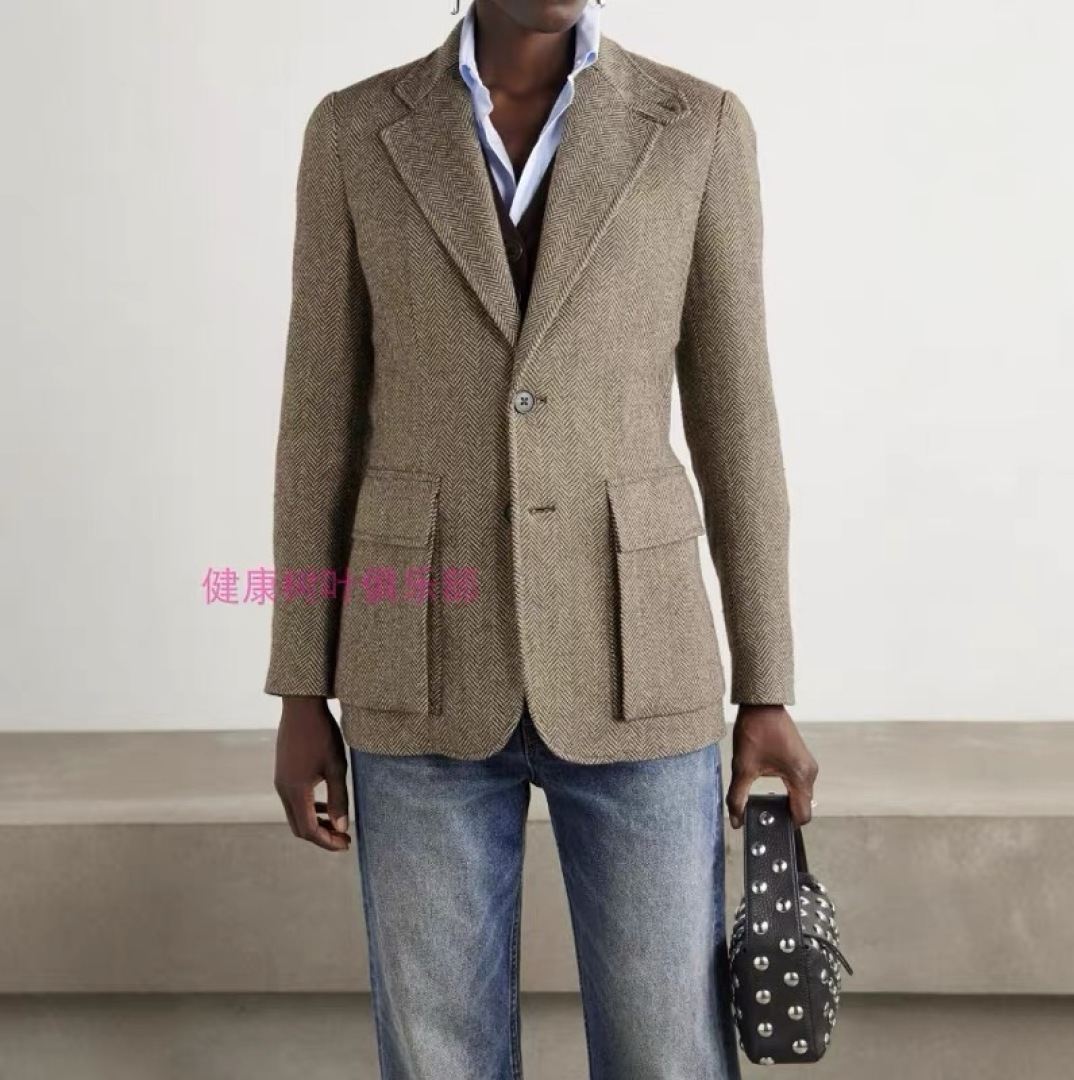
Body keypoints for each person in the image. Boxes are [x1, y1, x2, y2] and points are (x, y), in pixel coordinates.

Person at [265, 1, 818, 1076]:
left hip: (640, 661)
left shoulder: (697, 126)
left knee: (667, 1052)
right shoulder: (354, 132)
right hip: (415, 665)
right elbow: (317, 426)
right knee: (438, 1057)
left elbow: (737, 421)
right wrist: (299, 686)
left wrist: (767, 685)